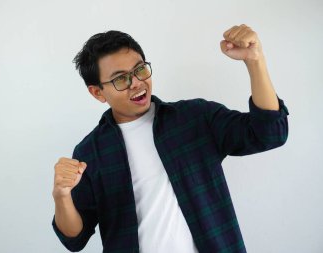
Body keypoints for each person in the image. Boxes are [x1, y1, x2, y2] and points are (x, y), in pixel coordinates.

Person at [51, 24, 289, 253]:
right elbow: (75, 239)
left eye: (140, 69)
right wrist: (61, 196)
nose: (136, 83)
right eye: (120, 79)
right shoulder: (90, 152)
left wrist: (255, 60)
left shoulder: (195, 118)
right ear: (97, 93)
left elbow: (269, 133)